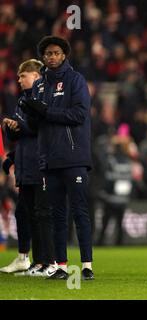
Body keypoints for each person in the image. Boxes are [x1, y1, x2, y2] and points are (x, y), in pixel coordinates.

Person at [19, 36, 94, 280]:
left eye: (56, 53)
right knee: (58, 214)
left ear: (64, 56)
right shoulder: (39, 86)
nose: (51, 57)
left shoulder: (75, 80)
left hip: (73, 157)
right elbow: (36, 124)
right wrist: (27, 117)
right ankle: (61, 265)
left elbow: (79, 115)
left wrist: (45, 111)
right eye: (47, 53)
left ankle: (86, 265)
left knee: (80, 212)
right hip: (49, 159)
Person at [0, 59, 56, 277]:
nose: (19, 79)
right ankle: (34, 261)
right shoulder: (23, 100)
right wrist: (12, 131)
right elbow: (22, 135)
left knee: (41, 214)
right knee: (26, 213)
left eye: (23, 75)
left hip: (39, 165)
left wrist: (19, 126)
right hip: (25, 166)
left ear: (36, 76)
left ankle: (47, 262)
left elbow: (40, 129)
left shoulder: (43, 98)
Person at [95, 124, 135, 246]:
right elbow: (130, 179)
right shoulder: (128, 161)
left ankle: (101, 242)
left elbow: (109, 178)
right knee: (119, 222)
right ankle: (120, 242)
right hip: (122, 197)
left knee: (106, 221)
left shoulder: (111, 160)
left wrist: (104, 192)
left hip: (111, 197)